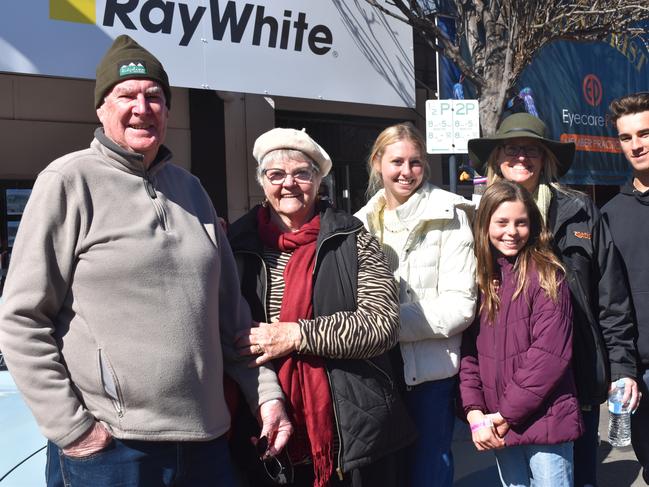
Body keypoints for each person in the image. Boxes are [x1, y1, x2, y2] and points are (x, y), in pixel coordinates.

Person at [0, 35, 290, 487]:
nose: (142, 106)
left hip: (206, 442)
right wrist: (73, 430)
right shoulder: (67, 182)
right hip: (113, 450)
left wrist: (266, 397)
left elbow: (231, 318)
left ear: (168, 111)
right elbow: (21, 319)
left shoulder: (192, 190)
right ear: (101, 109)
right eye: (126, 95)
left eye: (154, 96)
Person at [228, 127, 416, 487]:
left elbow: (382, 324)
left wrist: (297, 334)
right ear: (262, 182)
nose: (289, 184)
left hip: (345, 427)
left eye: (301, 173)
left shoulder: (352, 237)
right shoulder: (235, 243)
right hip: (256, 415)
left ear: (318, 180)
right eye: (276, 175)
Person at [468, 112, 640, 487]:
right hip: (508, 381)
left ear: (546, 158)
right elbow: (474, 314)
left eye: (532, 150)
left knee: (577, 478)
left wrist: (621, 367)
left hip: (577, 375)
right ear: (497, 157)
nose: (521, 158)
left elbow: (611, 295)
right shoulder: (479, 220)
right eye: (511, 149)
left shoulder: (580, 211)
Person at [354, 122, 477, 487]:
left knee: (429, 471)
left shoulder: (450, 214)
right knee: (384, 475)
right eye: (397, 162)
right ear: (378, 163)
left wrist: (381, 325)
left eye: (416, 162)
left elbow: (460, 305)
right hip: (377, 373)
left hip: (430, 375)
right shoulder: (358, 223)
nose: (406, 172)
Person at [460, 180, 583, 486]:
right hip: (500, 424)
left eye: (521, 222)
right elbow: (468, 355)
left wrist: (503, 414)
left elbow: (548, 357)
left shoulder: (547, 275)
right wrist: (475, 413)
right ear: (485, 224)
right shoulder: (482, 280)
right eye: (501, 222)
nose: (511, 232)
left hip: (545, 422)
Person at [602, 91, 649, 483]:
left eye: (645, 133)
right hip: (643, 373)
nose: (636, 144)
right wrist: (624, 369)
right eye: (626, 137)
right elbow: (610, 302)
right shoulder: (610, 216)